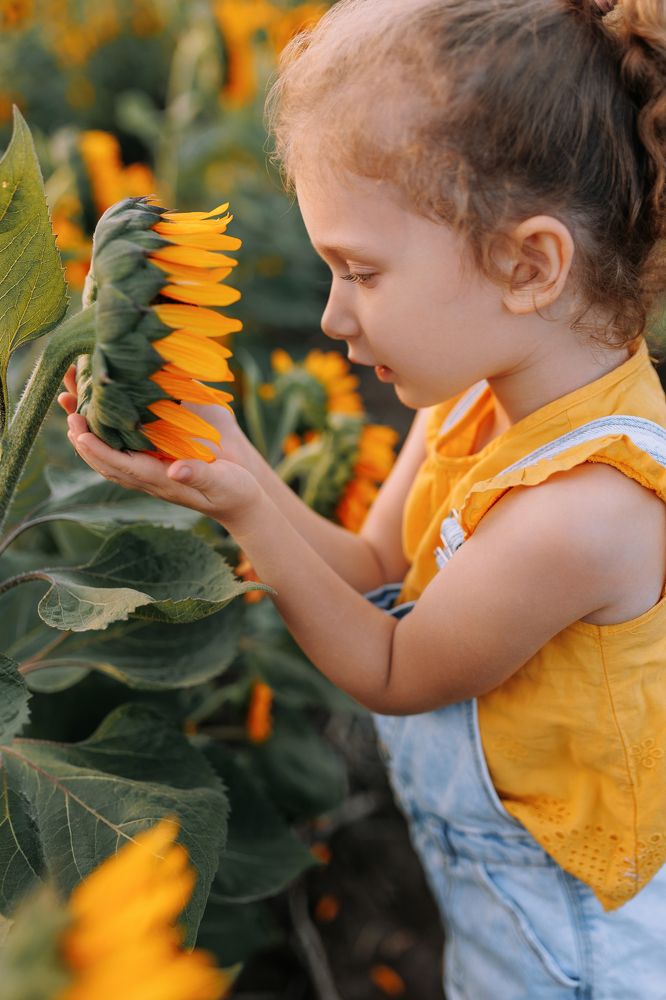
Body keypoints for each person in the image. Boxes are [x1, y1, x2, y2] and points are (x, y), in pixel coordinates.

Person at [59, 0, 666, 995]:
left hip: (583, 954)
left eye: (361, 272)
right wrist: (228, 461)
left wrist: (252, 513)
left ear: (529, 264)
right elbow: (377, 572)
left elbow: (391, 663)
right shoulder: (481, 395)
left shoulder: (583, 511)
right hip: (500, 909)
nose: (335, 314)